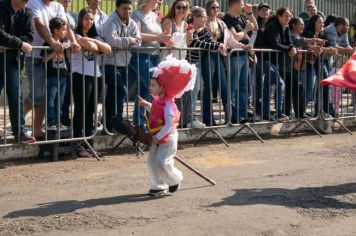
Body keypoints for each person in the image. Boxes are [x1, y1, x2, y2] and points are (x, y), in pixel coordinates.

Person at [138, 56, 196, 196]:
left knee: (163, 162)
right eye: (151, 84)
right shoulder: (158, 101)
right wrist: (147, 105)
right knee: (152, 162)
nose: (150, 87)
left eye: (153, 85)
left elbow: (169, 124)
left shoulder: (169, 104)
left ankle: (175, 179)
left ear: (162, 87)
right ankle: (157, 186)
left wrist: (158, 136)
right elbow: (156, 112)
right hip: (156, 137)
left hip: (167, 138)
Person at [24, 0, 80, 139]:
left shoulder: (58, 6)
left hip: (52, 60)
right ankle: (18, 122)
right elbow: (39, 24)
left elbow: (66, 28)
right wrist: (53, 43)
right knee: (37, 95)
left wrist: (73, 42)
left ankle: (37, 130)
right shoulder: (33, 3)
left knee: (45, 96)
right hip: (36, 55)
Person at [72, 8, 111, 157]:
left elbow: (107, 49)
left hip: (96, 75)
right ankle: (79, 144)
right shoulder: (76, 35)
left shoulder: (96, 36)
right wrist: (95, 45)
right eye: (86, 19)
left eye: (91, 19)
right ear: (80, 20)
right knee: (81, 110)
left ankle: (89, 143)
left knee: (91, 111)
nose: (89, 22)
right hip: (80, 74)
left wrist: (93, 40)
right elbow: (90, 46)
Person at [130, 0, 172, 128]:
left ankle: (139, 122)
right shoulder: (136, 14)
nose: (157, 1)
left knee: (146, 89)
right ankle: (143, 122)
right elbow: (137, 35)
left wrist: (166, 39)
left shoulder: (155, 16)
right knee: (152, 86)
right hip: (140, 55)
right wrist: (158, 38)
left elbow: (160, 36)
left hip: (154, 56)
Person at [0, 0, 36, 143]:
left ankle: (20, 132)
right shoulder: (1, 7)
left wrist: (9, 45)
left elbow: (30, 36)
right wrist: (20, 44)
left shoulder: (27, 13)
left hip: (13, 61)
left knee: (16, 96)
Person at [102, 0, 141, 131]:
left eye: (129, 9)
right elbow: (112, 41)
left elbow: (139, 41)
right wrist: (129, 40)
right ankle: (114, 121)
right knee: (121, 91)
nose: (127, 11)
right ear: (117, 8)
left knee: (115, 94)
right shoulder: (110, 21)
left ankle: (111, 123)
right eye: (124, 8)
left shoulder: (132, 23)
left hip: (124, 64)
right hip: (110, 64)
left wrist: (122, 42)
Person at [222, 0, 257, 124]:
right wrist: (246, 30)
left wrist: (250, 13)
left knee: (243, 87)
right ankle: (231, 116)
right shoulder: (227, 18)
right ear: (234, 4)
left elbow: (256, 27)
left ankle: (241, 116)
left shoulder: (241, 17)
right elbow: (235, 37)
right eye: (242, 4)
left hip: (244, 56)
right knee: (233, 87)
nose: (244, 6)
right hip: (234, 57)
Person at [260, 7, 296, 121]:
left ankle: (265, 114)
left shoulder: (285, 27)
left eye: (289, 16)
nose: (288, 18)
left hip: (275, 62)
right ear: (279, 16)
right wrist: (289, 49)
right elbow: (274, 44)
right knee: (280, 84)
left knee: (267, 88)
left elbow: (290, 42)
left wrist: (292, 47)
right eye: (286, 16)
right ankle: (279, 113)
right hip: (266, 60)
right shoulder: (272, 26)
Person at [303, 15, 339, 117]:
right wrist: (327, 49)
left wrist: (331, 49)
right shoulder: (308, 33)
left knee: (325, 82)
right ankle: (300, 111)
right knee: (309, 90)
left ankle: (323, 108)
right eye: (319, 22)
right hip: (307, 65)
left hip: (319, 63)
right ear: (313, 23)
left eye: (323, 22)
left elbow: (328, 47)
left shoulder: (322, 35)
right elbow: (312, 48)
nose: (322, 24)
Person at [40, 17, 69, 130]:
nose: (65, 32)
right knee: (51, 99)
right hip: (52, 75)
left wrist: (67, 47)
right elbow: (44, 59)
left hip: (63, 75)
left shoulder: (63, 42)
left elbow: (68, 56)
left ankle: (58, 122)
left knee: (60, 100)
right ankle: (51, 122)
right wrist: (55, 51)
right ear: (56, 30)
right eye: (63, 29)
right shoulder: (48, 43)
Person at [59, 0, 78, 126]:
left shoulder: (73, 15)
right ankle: (59, 117)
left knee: (68, 88)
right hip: (61, 54)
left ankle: (64, 116)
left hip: (73, 56)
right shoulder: (56, 12)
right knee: (61, 88)